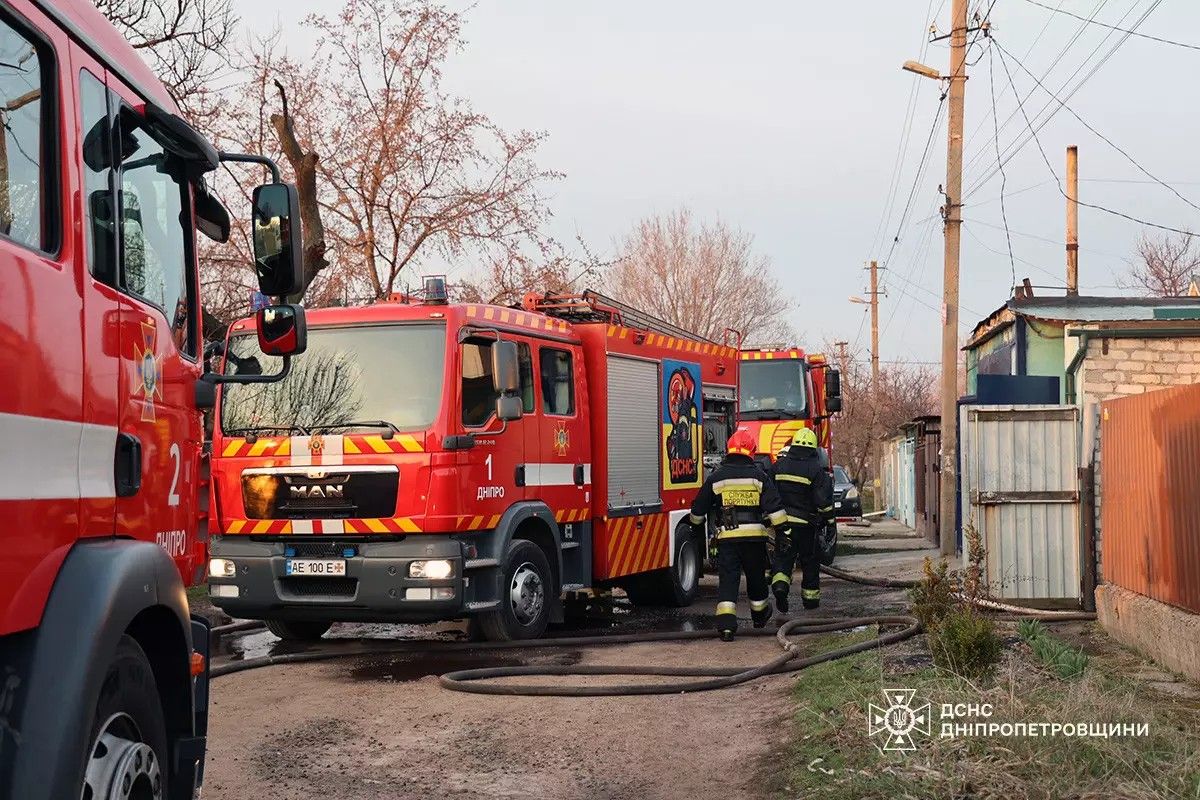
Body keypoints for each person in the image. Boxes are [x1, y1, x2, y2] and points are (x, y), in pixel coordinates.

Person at [688, 428, 788, 641]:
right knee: (756, 579)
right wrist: (783, 533)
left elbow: (698, 510)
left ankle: (726, 626)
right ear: (751, 451)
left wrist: (695, 529)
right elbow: (775, 509)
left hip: (728, 540)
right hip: (754, 540)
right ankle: (759, 617)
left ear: (729, 449)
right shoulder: (759, 477)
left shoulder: (717, 477)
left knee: (728, 580)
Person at [770, 427, 835, 612]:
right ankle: (810, 601)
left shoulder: (778, 466)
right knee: (809, 562)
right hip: (807, 526)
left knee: (783, 559)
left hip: (783, 524)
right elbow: (823, 502)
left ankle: (780, 587)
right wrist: (830, 523)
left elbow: (769, 494)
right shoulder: (816, 470)